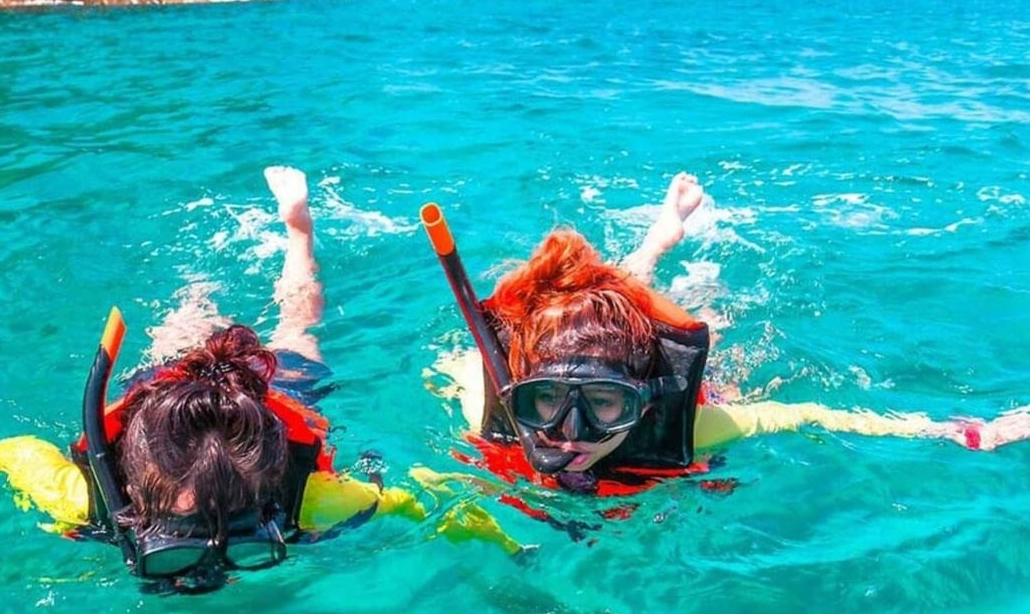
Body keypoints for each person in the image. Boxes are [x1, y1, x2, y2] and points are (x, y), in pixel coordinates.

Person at [0, 168, 500, 591]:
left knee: (299, 325)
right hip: (172, 399)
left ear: (270, 504)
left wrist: (494, 533)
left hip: (275, 403)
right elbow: (14, 452)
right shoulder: (90, 498)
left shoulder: (310, 501)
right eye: (183, 539)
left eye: (240, 540)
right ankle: (196, 297)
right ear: (135, 505)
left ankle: (299, 230)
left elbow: (412, 502)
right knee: (182, 339)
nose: (208, 572)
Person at [425, 173, 1030, 498]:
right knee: (602, 302)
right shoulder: (491, 404)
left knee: (664, 315)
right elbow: (448, 363)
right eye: (547, 401)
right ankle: (659, 236)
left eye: (607, 403)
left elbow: (811, 413)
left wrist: (963, 433)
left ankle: (662, 236)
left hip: (665, 370)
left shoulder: (696, 427)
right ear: (518, 392)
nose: (571, 434)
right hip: (561, 348)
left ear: (645, 400)